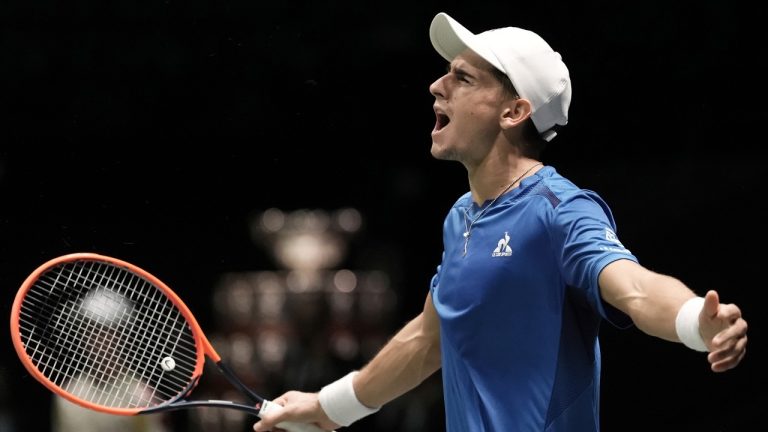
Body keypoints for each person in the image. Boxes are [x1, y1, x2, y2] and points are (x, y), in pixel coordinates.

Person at [253, 11, 748, 432]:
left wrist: (693, 322)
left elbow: (633, 287)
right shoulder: (461, 219)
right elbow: (428, 339)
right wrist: (326, 408)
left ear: (514, 111)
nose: (435, 85)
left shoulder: (558, 209)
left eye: (463, 79)